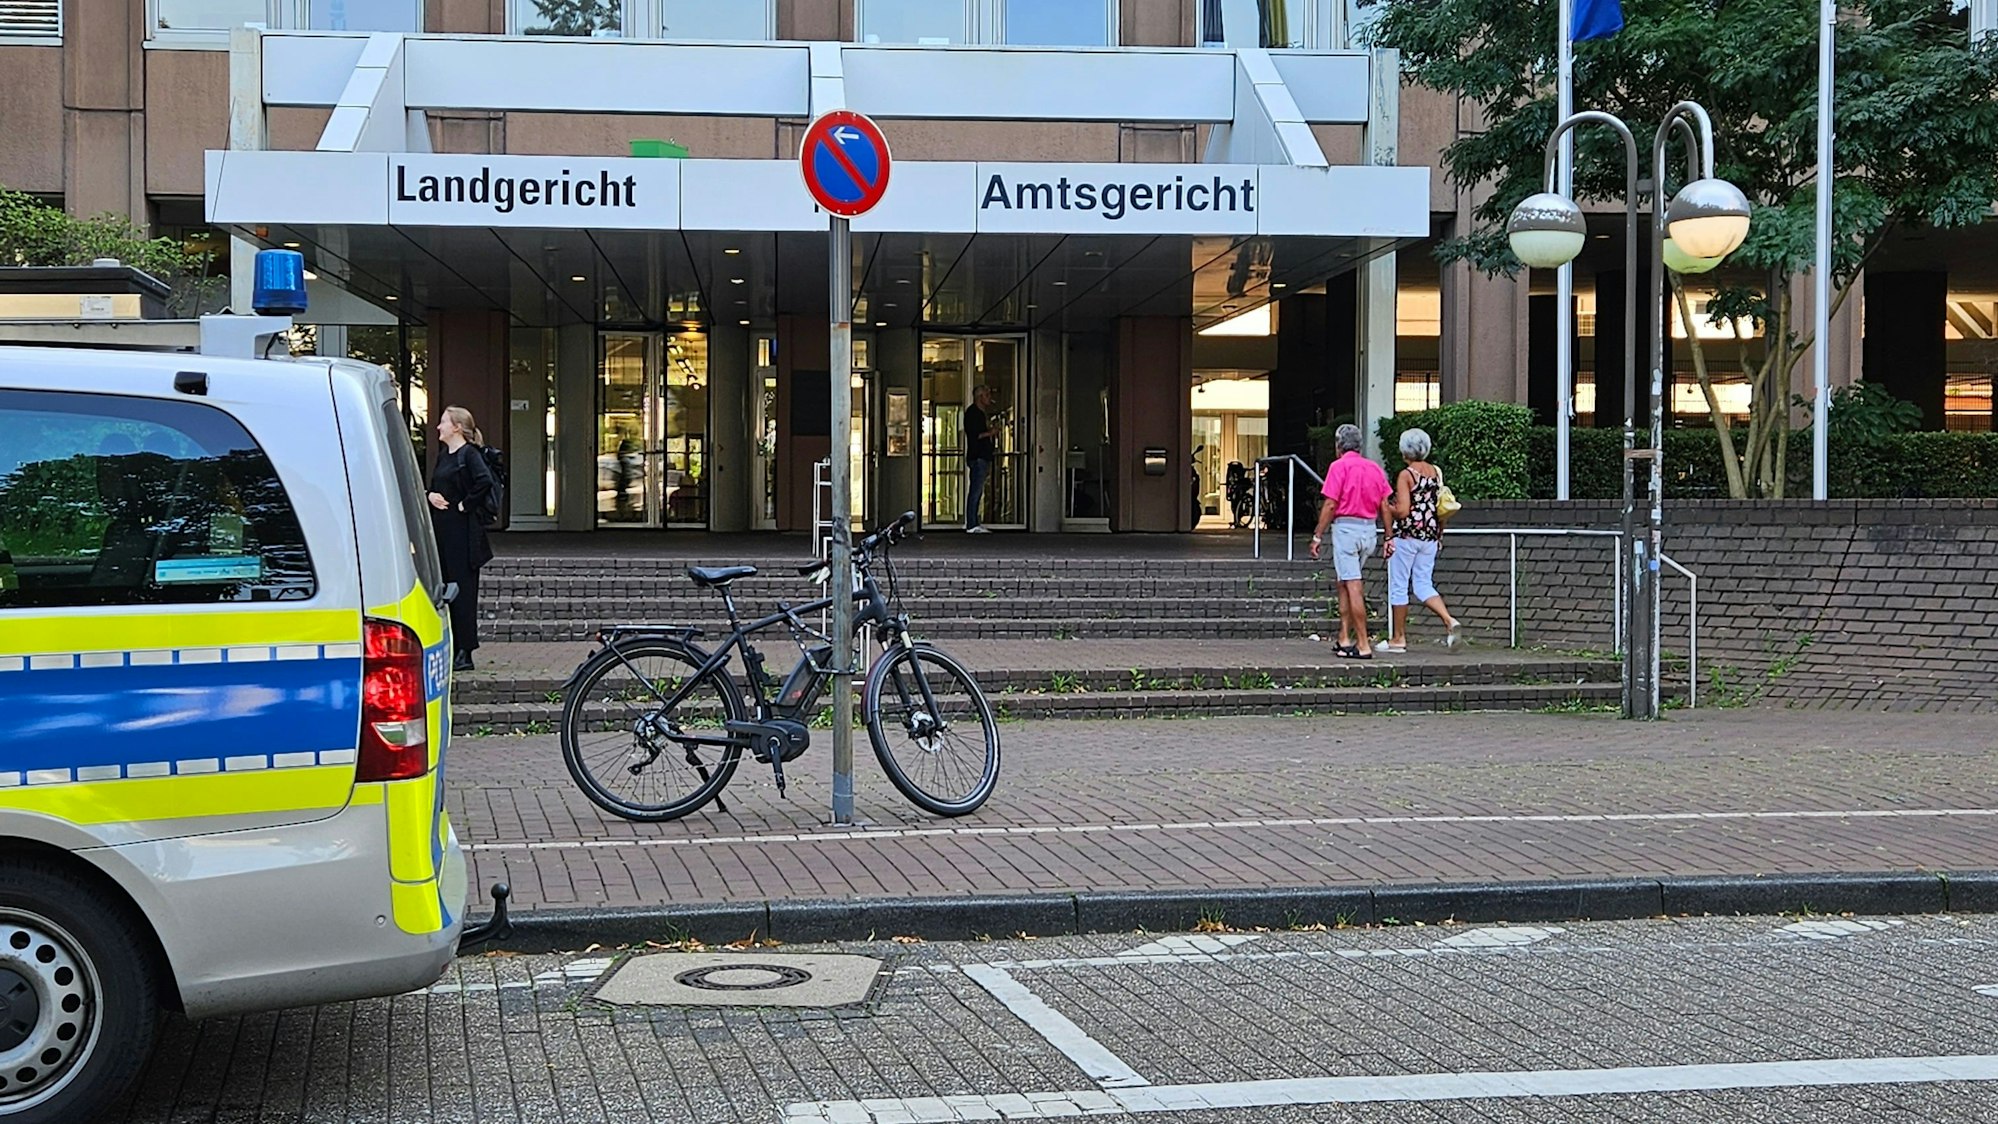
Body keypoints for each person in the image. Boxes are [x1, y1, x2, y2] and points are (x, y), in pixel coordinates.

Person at [1308, 423, 1393, 659]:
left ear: (1338, 446)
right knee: (1344, 582)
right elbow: (1385, 504)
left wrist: (1317, 535)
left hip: (1346, 530)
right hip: (1369, 531)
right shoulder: (1374, 468)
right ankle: (1343, 637)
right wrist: (1388, 536)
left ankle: (1363, 644)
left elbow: (1331, 504)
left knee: (1353, 585)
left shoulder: (1339, 467)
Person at [1380, 428, 1461, 654]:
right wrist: (1439, 534)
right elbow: (1439, 507)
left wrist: (1388, 507)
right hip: (1430, 537)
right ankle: (1448, 620)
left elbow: (1404, 511)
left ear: (1404, 450)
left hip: (1406, 536)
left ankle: (1398, 638)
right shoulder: (1436, 472)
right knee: (1423, 584)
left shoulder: (1406, 475)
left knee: (1399, 586)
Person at [428, 405, 496, 672]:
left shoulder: (469, 454)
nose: (438, 427)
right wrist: (429, 496)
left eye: (443, 422)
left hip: (463, 534)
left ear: (457, 427)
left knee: (463, 591)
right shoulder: (445, 455)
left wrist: (463, 506)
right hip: (443, 530)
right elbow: (436, 486)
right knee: (446, 587)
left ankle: (465, 651)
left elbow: (484, 482)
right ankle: (451, 645)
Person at [963, 385, 998, 533]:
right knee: (976, 490)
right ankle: (971, 524)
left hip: (982, 456)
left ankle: (974, 522)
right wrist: (991, 433)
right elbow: (974, 435)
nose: (990, 398)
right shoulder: (973, 413)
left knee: (977, 490)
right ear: (980, 397)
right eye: (987, 395)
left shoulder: (980, 413)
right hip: (978, 457)